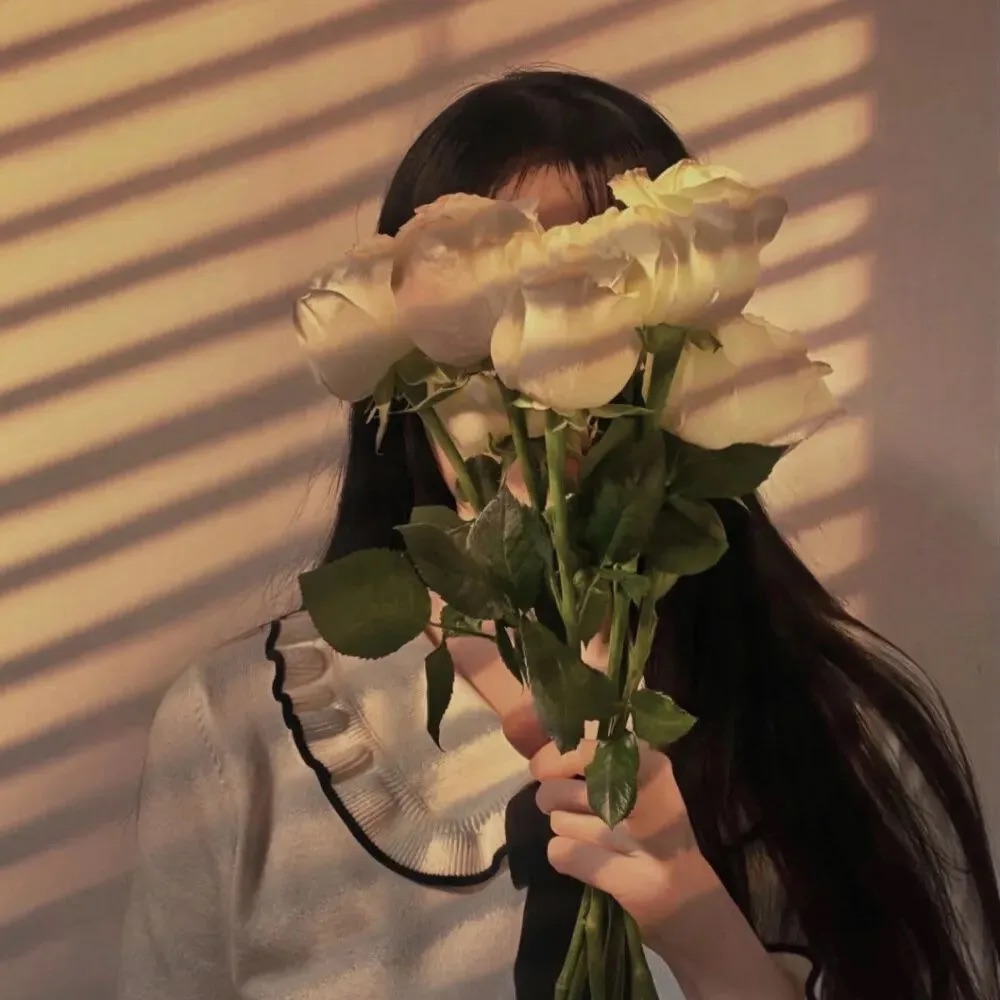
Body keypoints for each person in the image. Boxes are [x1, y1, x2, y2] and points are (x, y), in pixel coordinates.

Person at [117, 69, 1000, 1000]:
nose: (541, 375)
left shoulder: (829, 716)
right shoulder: (239, 730)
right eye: (500, 313)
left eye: (599, 299)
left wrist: (705, 933)